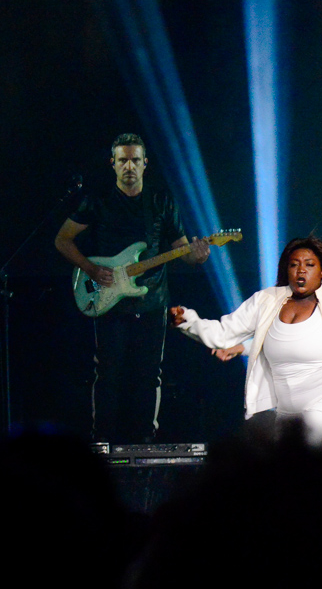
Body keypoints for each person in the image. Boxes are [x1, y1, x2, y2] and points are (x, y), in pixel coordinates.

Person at [54, 133, 210, 443]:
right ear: (112, 164)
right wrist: (91, 268)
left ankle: (145, 446)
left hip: (152, 301)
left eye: (135, 160)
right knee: (108, 376)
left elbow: (182, 249)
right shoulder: (97, 201)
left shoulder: (161, 201)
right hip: (110, 301)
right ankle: (102, 445)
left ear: (145, 164)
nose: (129, 166)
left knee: (149, 376)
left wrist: (197, 255)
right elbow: (62, 239)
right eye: (123, 160)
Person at [170, 236, 322, 445]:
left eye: (309, 265)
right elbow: (224, 333)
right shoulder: (266, 301)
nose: (301, 271)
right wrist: (188, 321)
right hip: (288, 415)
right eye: (294, 265)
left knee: (310, 443)